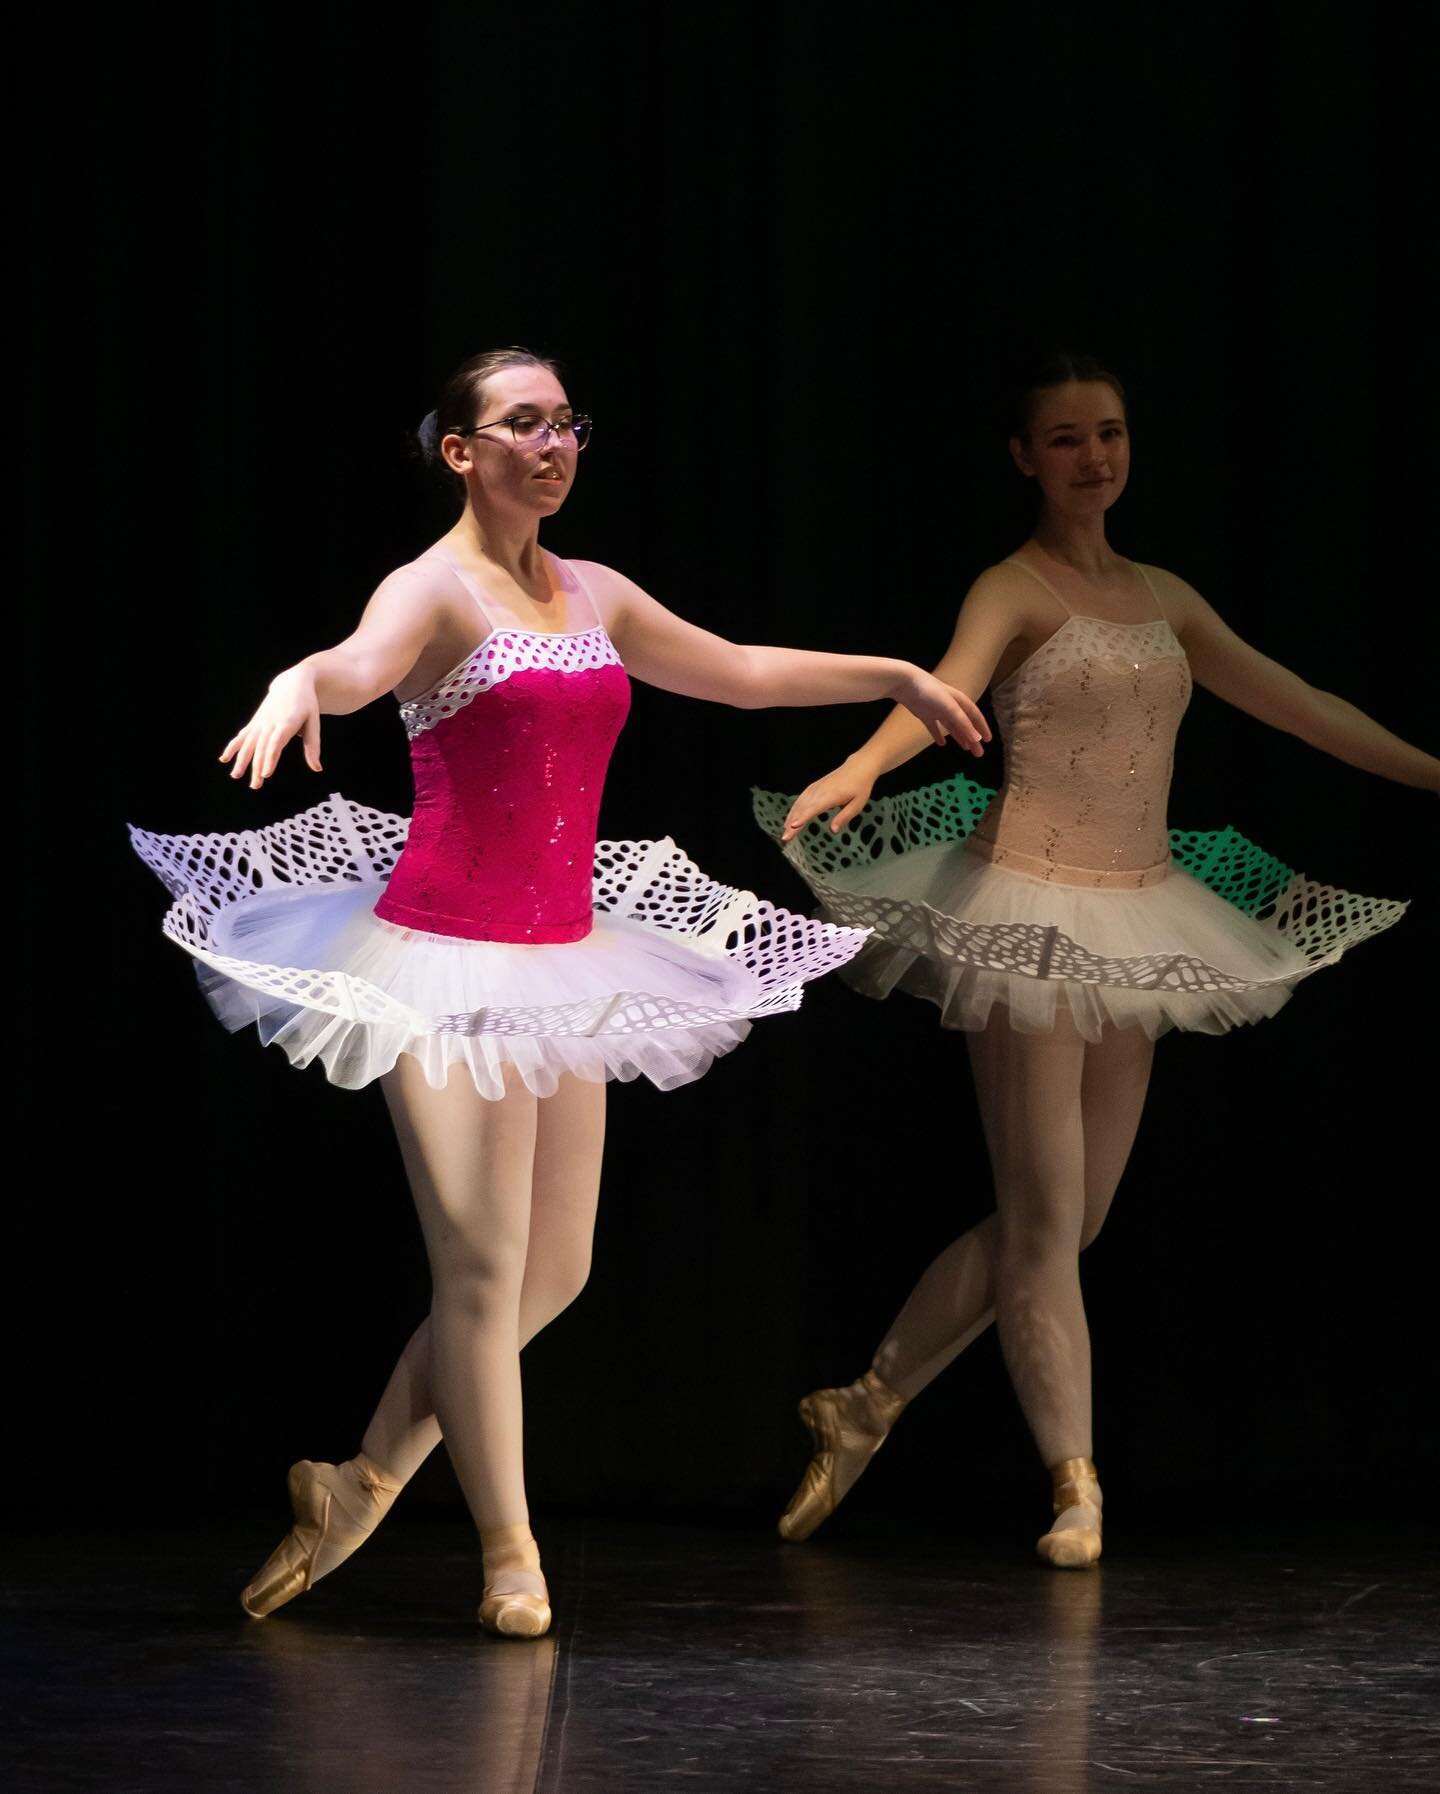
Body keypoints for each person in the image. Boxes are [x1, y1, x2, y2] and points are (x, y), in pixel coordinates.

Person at [131, 346, 991, 1638]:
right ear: (461, 452)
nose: (553, 442)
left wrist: (894, 675)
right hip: (432, 955)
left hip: (567, 955)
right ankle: (510, 1556)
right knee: (480, 1267)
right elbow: (358, 667)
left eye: (566, 422)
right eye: (521, 423)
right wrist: (297, 680)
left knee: (560, 1268)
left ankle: (355, 1481)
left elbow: (741, 668)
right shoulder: (430, 590)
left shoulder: (593, 590)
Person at [756, 352, 1436, 1568]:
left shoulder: (1166, 596)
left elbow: (1299, 702)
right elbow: (943, 694)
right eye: (1066, 439)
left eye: (1110, 434)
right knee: (1043, 1215)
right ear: (1026, 458)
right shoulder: (1009, 588)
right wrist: (861, 766)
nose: (1094, 458)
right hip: (1025, 909)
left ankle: (865, 1402)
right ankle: (1076, 1488)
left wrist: (1431, 772)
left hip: (1141, 912)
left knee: (1069, 1220)